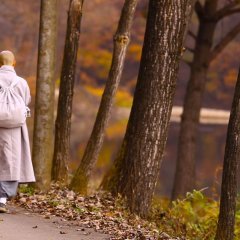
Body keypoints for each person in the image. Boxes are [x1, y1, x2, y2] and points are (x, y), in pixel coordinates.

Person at [0, 50, 35, 213]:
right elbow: (26, 100)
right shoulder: (21, 82)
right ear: (14, 63)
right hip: (15, 128)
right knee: (11, 160)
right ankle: (2, 199)